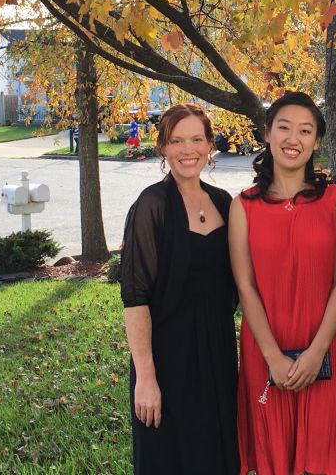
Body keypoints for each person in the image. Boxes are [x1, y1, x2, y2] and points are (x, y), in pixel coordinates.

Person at [229, 91, 336, 475]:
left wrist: (316, 352)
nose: (294, 139)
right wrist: (273, 357)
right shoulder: (243, 206)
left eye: (305, 131)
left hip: (326, 347)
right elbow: (245, 286)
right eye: (284, 128)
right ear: (267, 133)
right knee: (273, 455)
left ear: (317, 141)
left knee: (323, 457)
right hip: (265, 348)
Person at [120, 104, 239, 474]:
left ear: (210, 145)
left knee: (215, 459)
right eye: (177, 141)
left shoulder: (224, 203)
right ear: (163, 148)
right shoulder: (151, 205)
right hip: (166, 360)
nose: (188, 150)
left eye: (197, 139)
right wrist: (146, 378)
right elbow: (135, 300)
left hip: (218, 354)